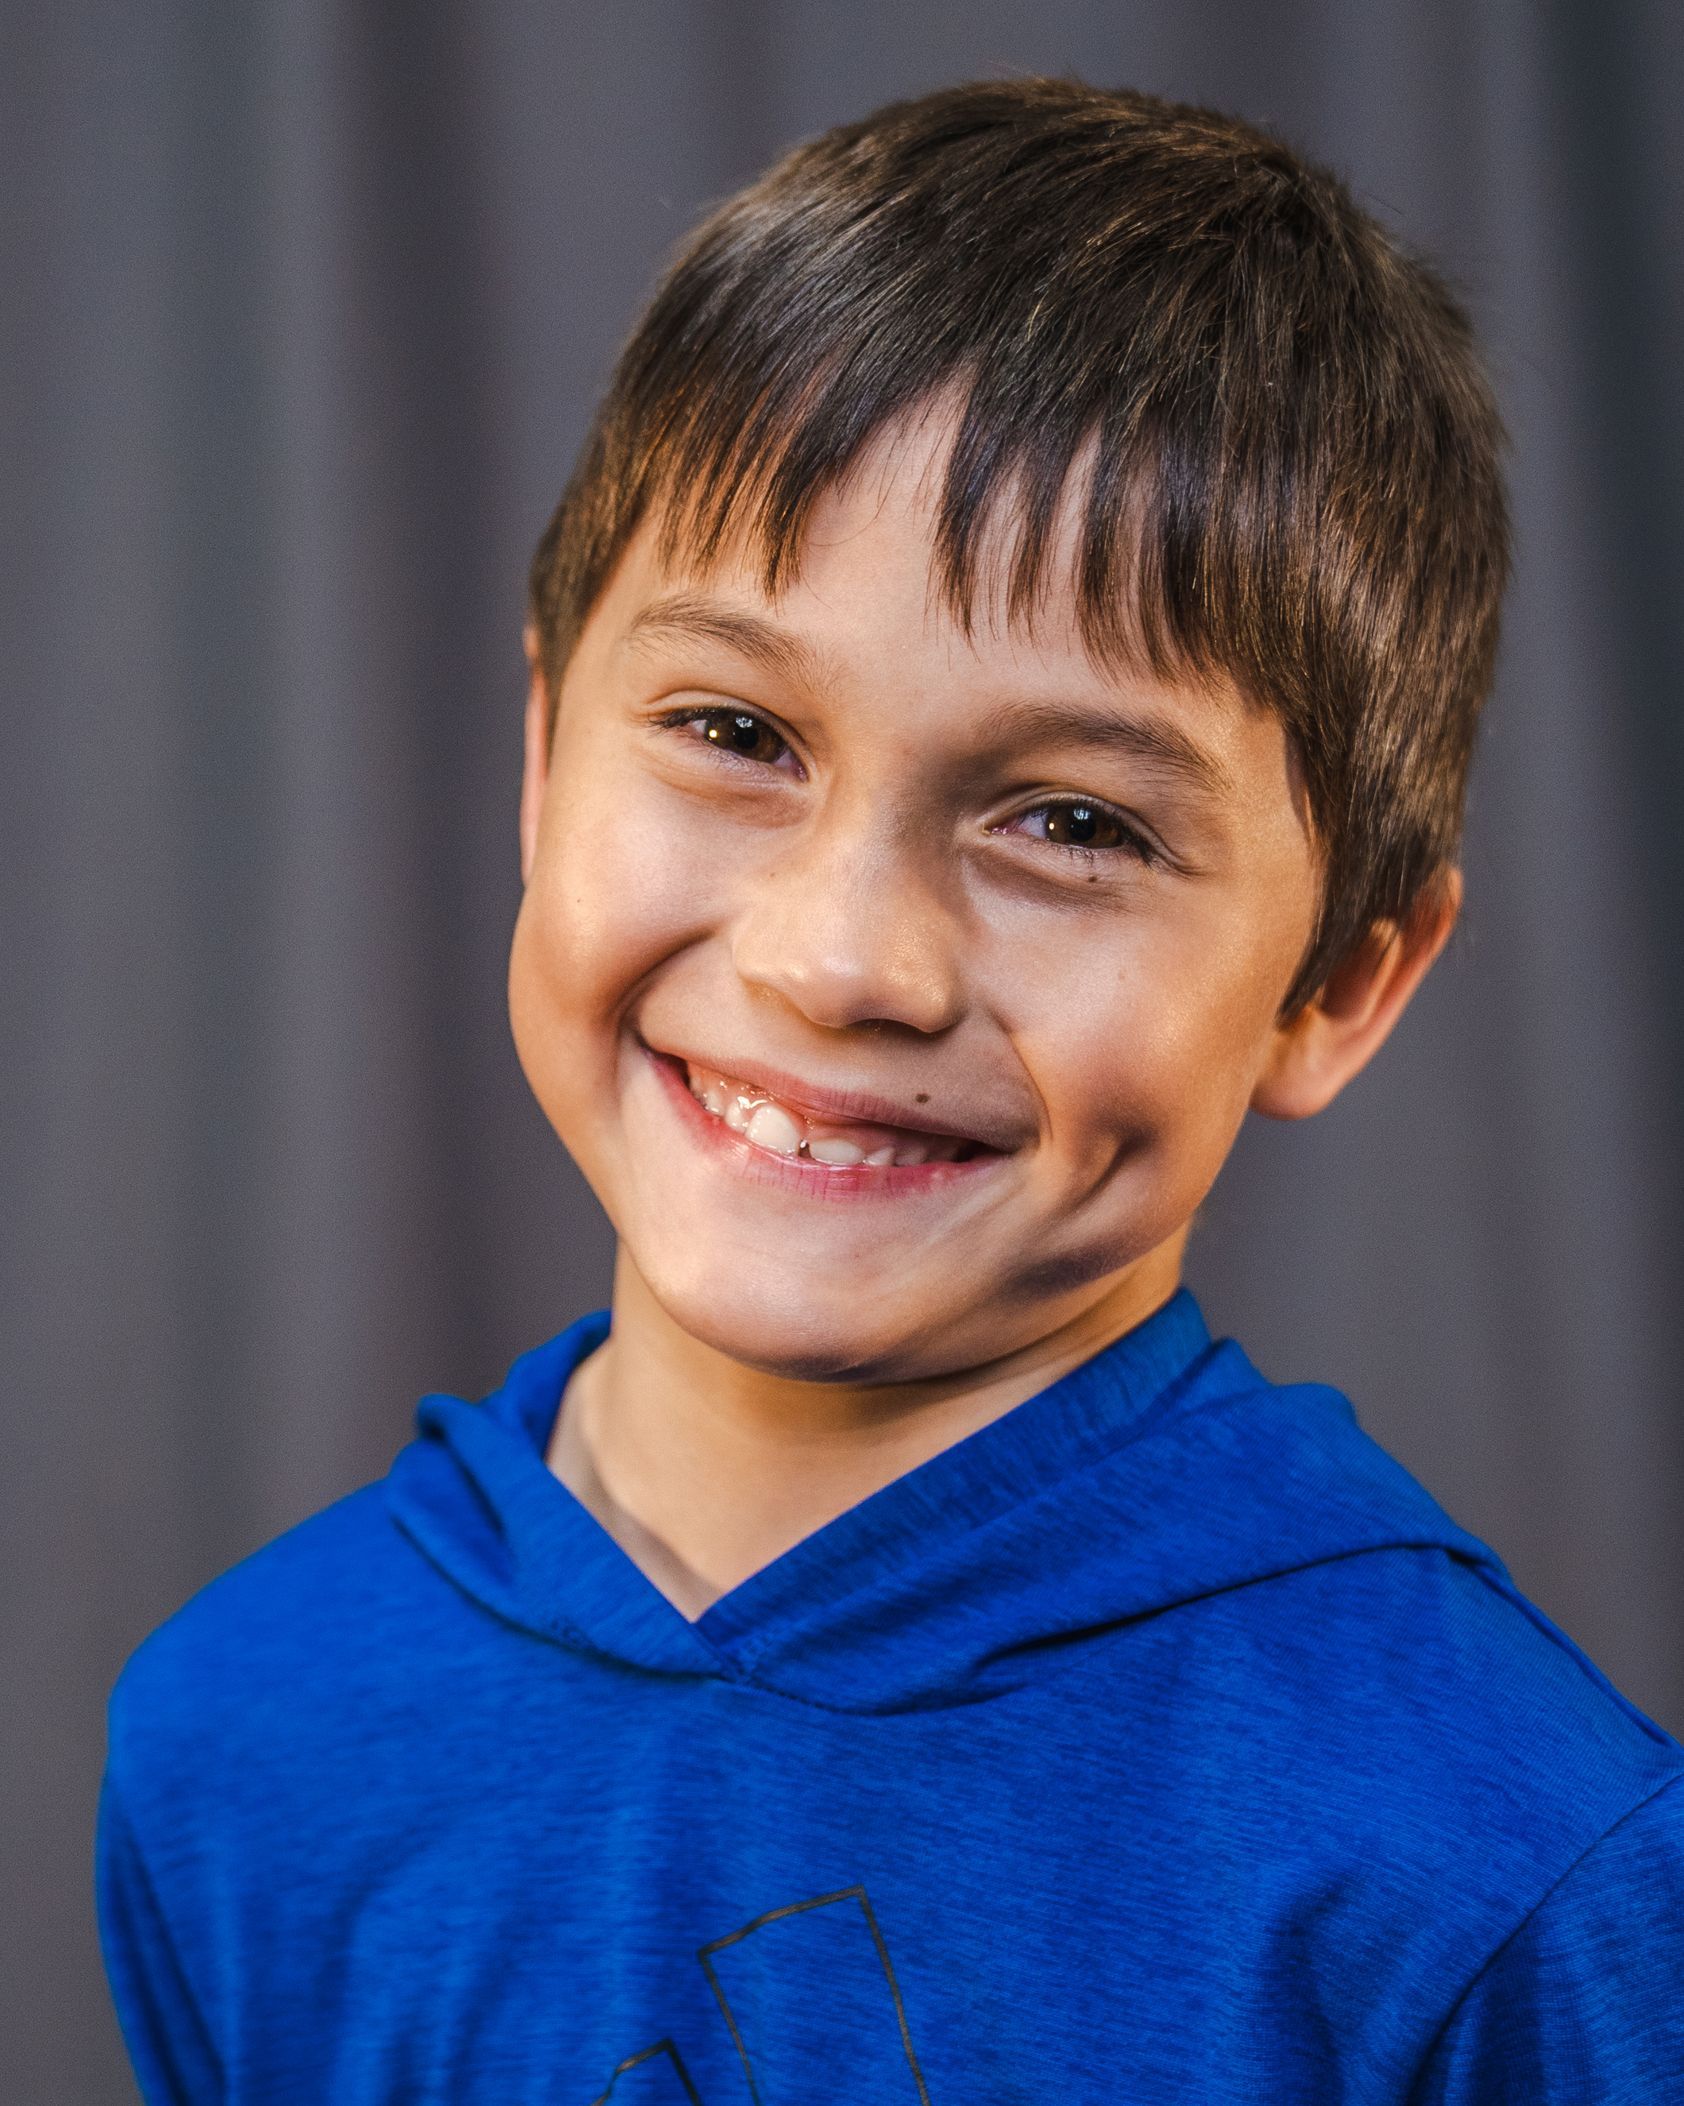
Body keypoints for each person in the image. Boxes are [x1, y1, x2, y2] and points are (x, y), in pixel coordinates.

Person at [97, 78, 1684, 2102]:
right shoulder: (241, 1742)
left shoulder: (1505, 1870)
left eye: (1075, 827)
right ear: (539, 755)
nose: (839, 959)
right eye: (731, 728)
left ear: (1337, 985)